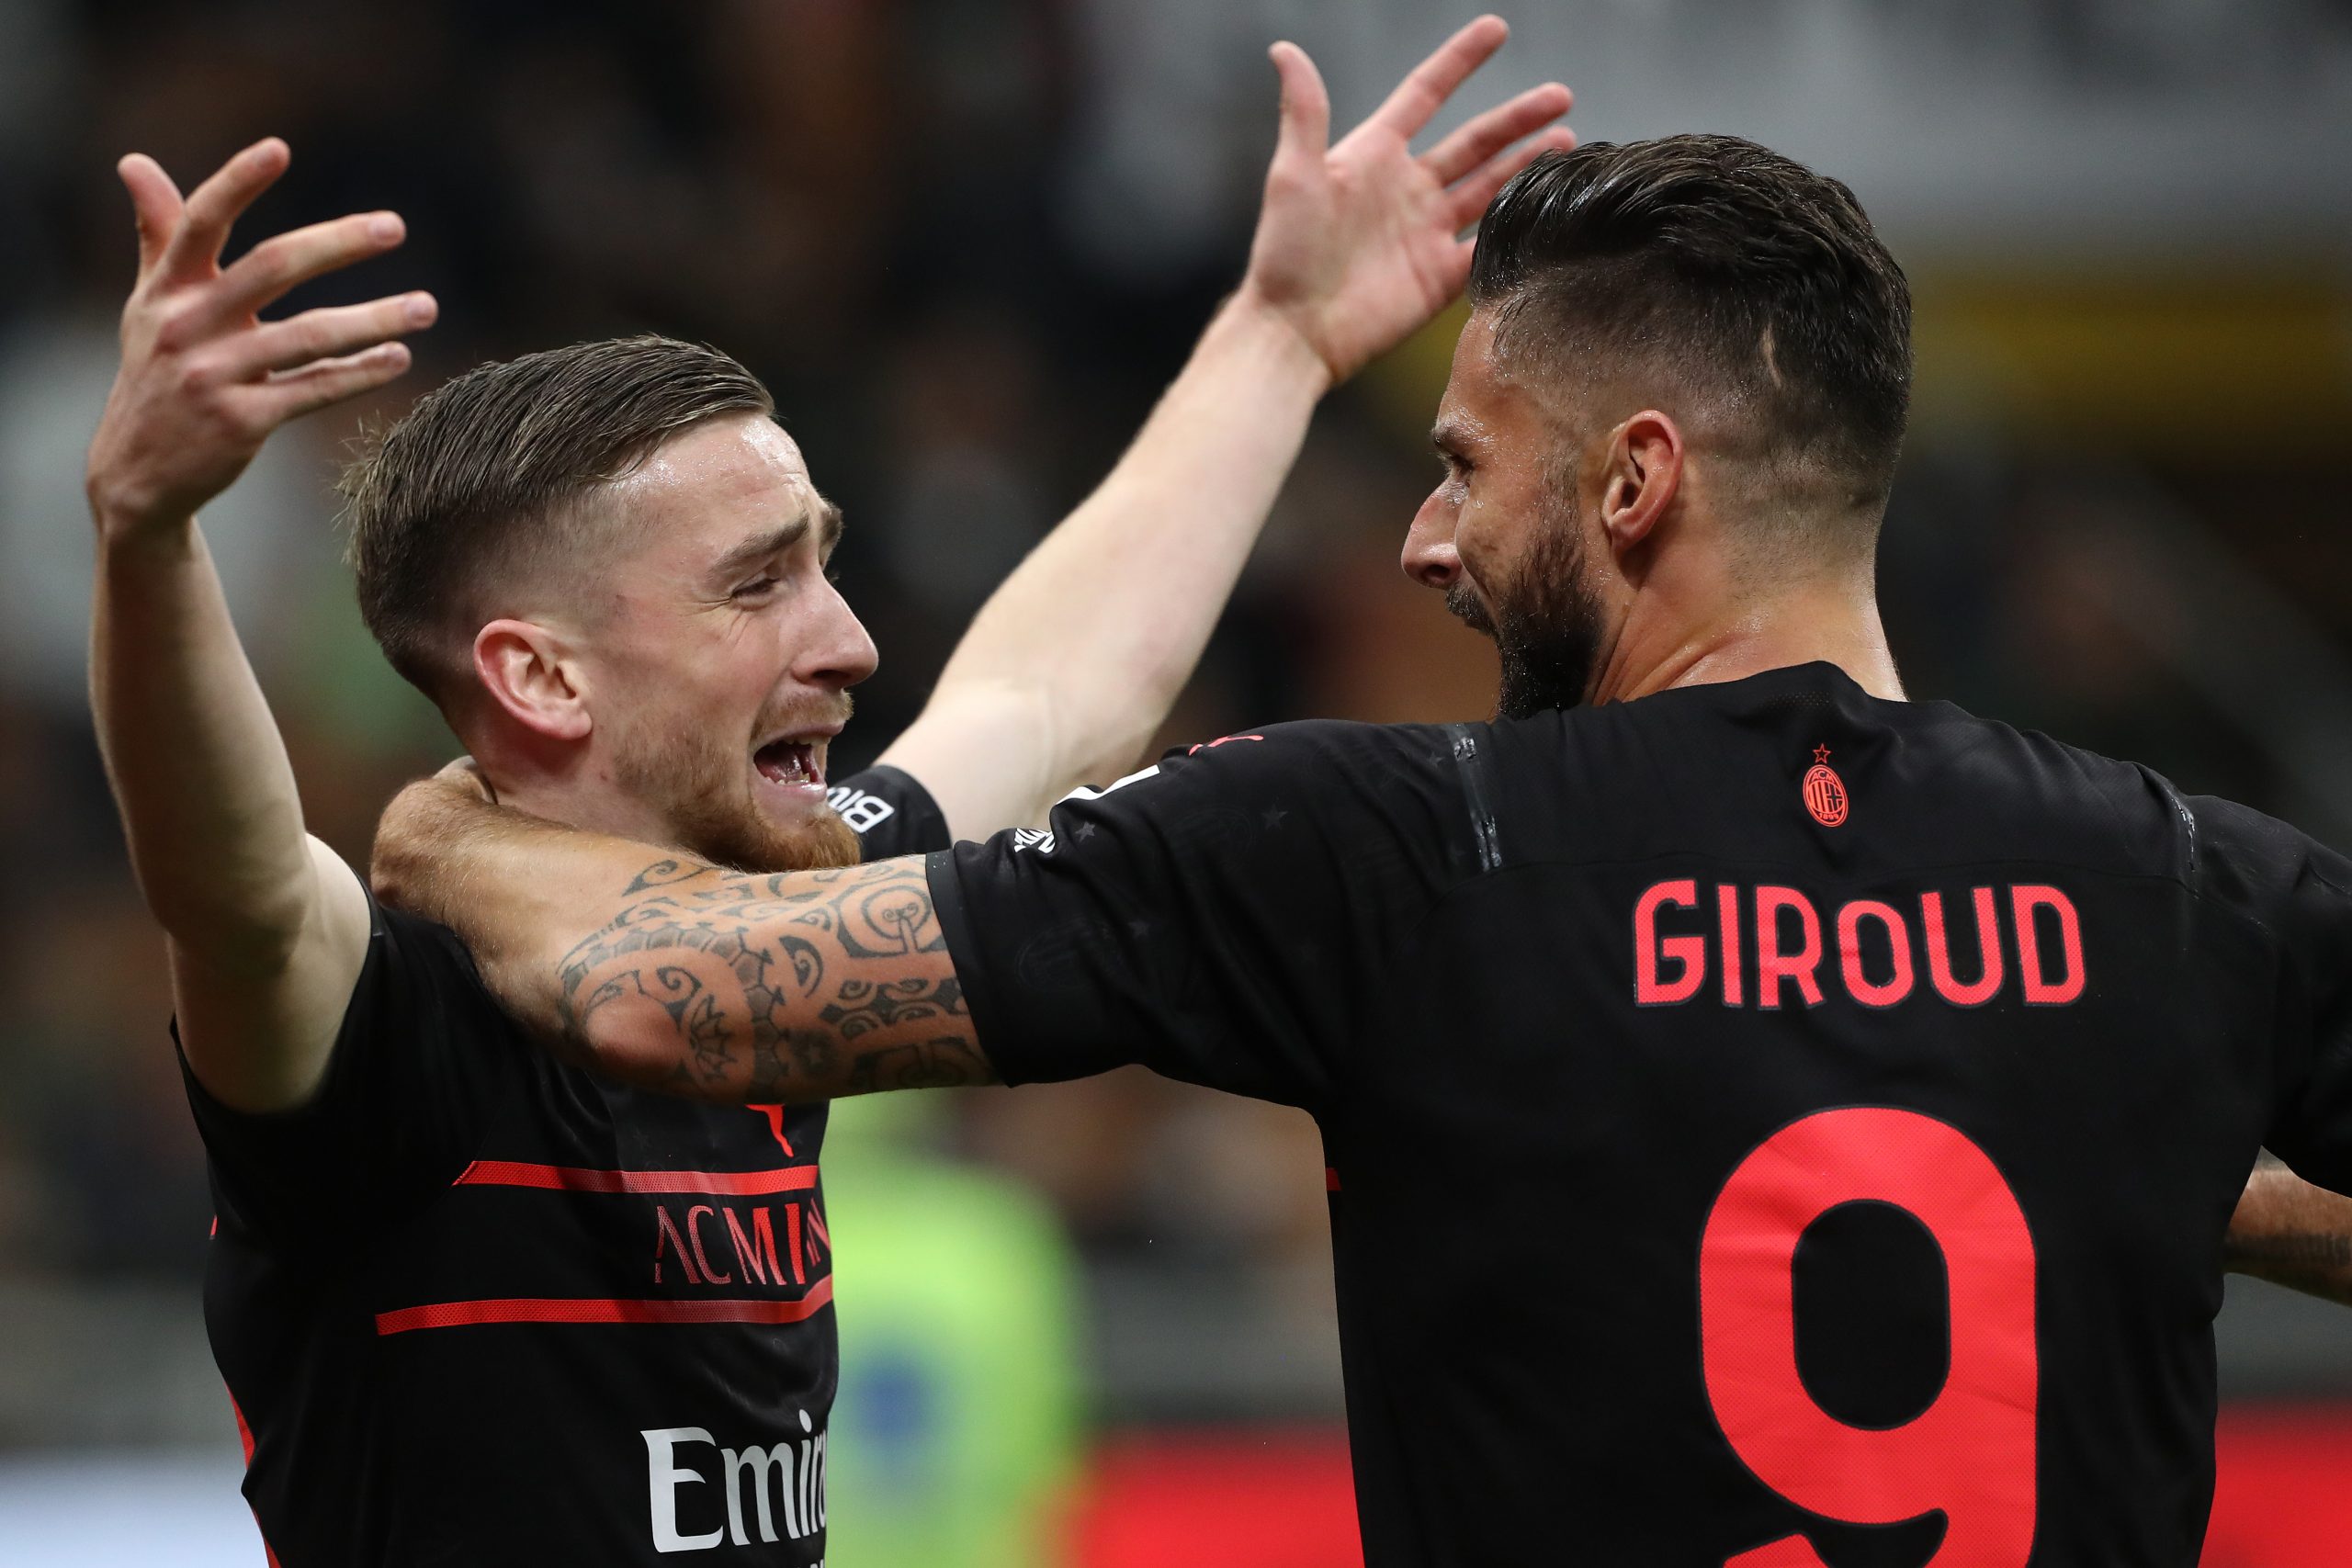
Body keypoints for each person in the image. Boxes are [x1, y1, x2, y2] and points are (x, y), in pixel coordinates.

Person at [379, 132, 2352, 1565]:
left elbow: (663, 994)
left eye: (1464, 468)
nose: (1423, 542)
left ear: (1634, 483)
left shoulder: (1386, 847)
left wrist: (435, 827)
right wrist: (2167, 1169)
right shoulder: (2185, 886)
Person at [82, 17, 1572, 1562]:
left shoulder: (793, 919)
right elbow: (232, 886)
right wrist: (149, 533)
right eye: (757, 585)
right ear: (542, 676)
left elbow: (1054, 694)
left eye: (825, 566)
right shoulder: (394, 1014)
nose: (851, 644)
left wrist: (1281, 334)